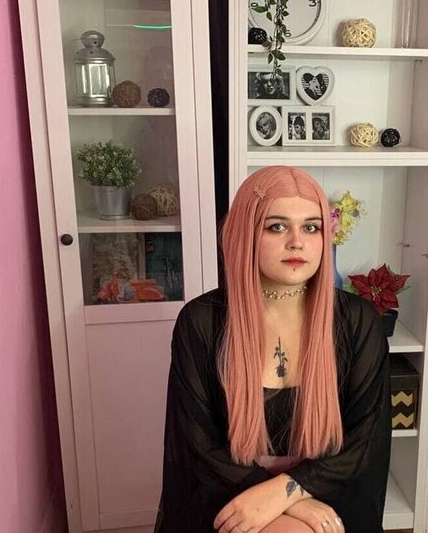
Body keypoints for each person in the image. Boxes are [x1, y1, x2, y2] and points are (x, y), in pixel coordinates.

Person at [155, 166, 391, 533]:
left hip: (331, 487)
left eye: (311, 227)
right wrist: (283, 500)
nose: (297, 242)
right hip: (228, 488)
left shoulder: (358, 321)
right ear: (245, 234)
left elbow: (366, 439)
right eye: (277, 226)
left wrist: (287, 493)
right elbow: (197, 442)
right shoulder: (201, 321)